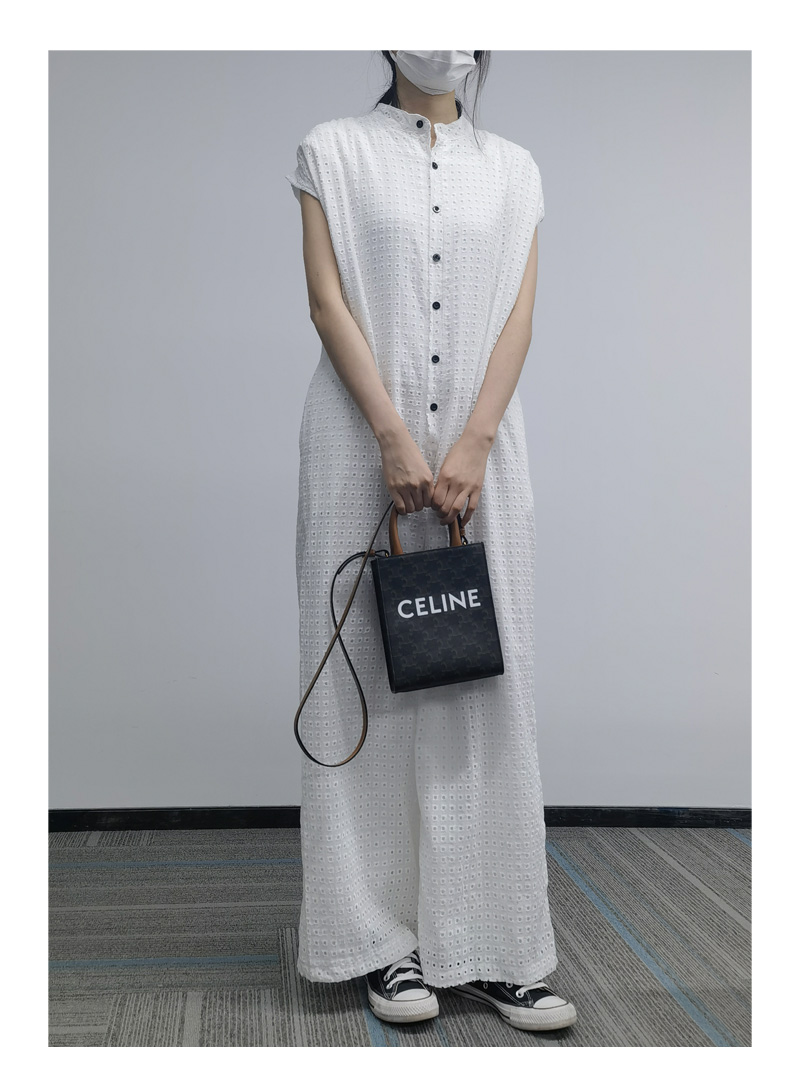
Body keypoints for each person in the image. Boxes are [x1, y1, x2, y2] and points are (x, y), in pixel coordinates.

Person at [285, 50, 577, 1034]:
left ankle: (493, 945)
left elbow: (519, 319)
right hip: (357, 442)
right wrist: (391, 436)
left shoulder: (516, 169)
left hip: (481, 453)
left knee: (482, 684)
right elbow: (327, 302)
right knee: (361, 682)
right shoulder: (330, 151)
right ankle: (381, 941)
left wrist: (474, 442)